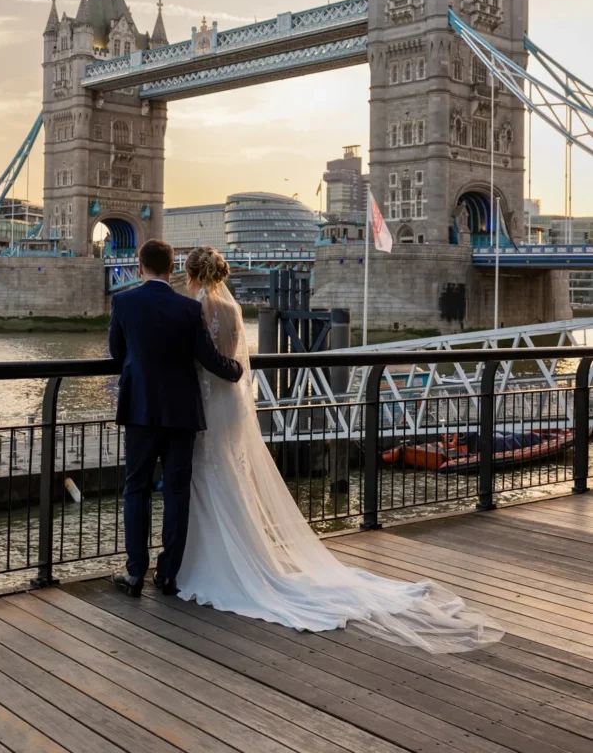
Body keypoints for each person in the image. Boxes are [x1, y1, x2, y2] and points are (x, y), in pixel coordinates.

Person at [174, 245, 503, 654]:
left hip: (205, 402)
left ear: (191, 274)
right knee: (227, 478)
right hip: (229, 403)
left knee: (206, 476)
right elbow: (235, 361)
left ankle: (206, 562)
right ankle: (241, 555)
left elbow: (198, 358)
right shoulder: (235, 310)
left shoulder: (195, 308)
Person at [109, 238, 243, 598]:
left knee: (136, 489)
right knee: (176, 492)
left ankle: (135, 573)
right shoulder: (188, 308)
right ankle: (168, 574)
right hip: (182, 411)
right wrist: (236, 371)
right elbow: (208, 357)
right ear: (171, 269)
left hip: (139, 409)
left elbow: (115, 352)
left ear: (140, 268)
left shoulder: (122, 301)